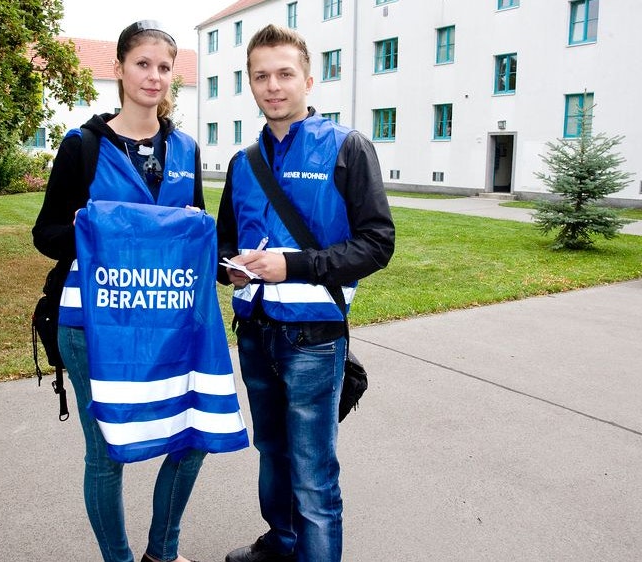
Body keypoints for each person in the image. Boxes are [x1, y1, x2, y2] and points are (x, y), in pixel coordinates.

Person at [216, 24, 395, 562]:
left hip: (313, 338)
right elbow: (225, 243)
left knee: (313, 470)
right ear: (250, 83)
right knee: (271, 450)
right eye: (261, 76)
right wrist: (231, 270)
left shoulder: (346, 147)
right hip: (254, 333)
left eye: (284, 74)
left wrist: (291, 265)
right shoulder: (243, 163)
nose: (273, 86)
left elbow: (377, 244)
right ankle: (282, 542)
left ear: (309, 80)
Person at [32, 20, 205, 562]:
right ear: (119, 69)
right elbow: (46, 234)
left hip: (168, 322)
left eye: (163, 67)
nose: (153, 76)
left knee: (192, 438)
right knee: (107, 452)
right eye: (142, 64)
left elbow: (195, 231)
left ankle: (162, 552)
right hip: (92, 324)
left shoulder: (186, 149)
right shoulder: (83, 146)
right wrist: (90, 229)